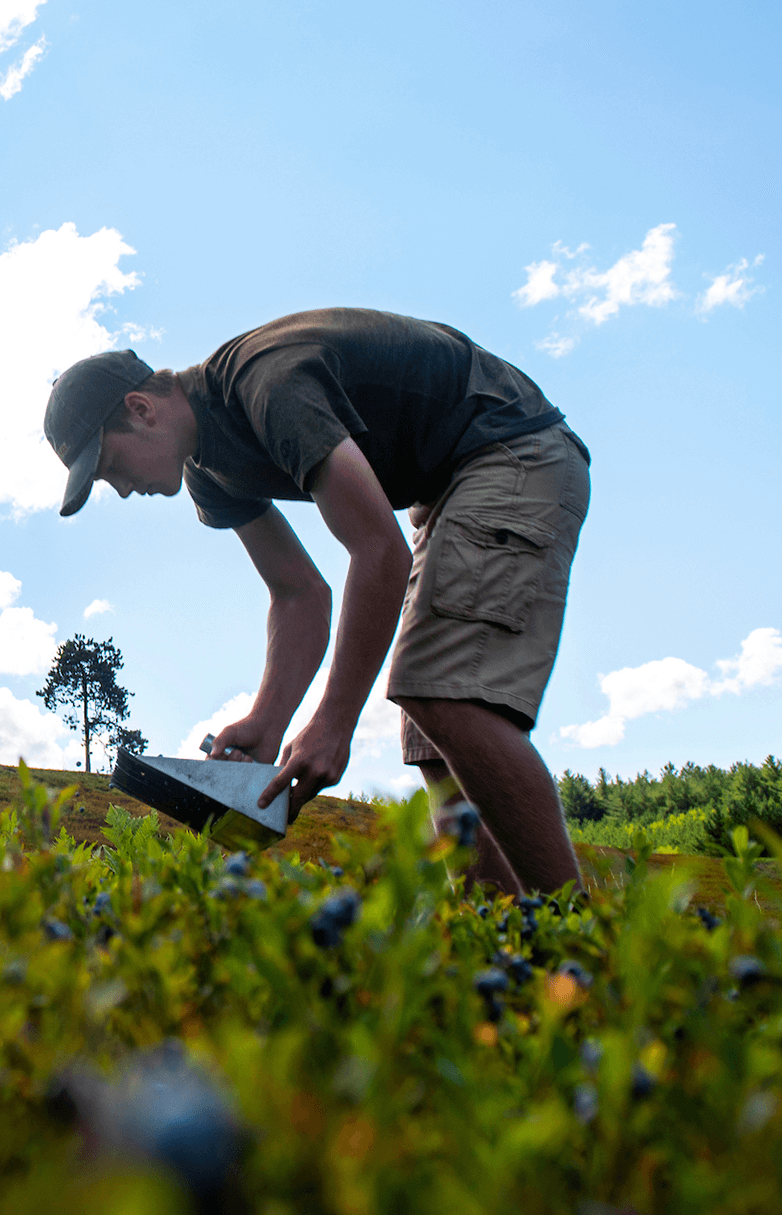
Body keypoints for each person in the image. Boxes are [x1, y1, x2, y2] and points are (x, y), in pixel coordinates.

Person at [43, 308, 591, 896]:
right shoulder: (208, 473)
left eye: (111, 468)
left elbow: (379, 553)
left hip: (510, 450)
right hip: (442, 494)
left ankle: (579, 946)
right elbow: (298, 592)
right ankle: (514, 942)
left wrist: (333, 722)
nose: (122, 489)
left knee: (443, 689)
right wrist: (269, 719)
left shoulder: (265, 385)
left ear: (141, 409)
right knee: (432, 737)